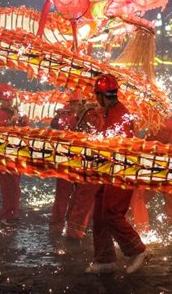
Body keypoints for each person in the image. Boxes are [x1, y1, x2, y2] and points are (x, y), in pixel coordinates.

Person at [85, 74, 147, 275]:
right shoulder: (112, 112)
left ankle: (137, 249)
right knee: (100, 209)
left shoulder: (118, 114)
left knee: (111, 211)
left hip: (121, 170)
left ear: (102, 95)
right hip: (111, 169)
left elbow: (114, 145)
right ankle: (104, 259)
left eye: (97, 96)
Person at [129, 107, 172, 230]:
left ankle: (131, 215)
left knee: (145, 191)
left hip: (146, 161)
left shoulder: (162, 123)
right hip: (160, 164)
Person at [63, 95, 105, 241]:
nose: (75, 107)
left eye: (77, 103)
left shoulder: (88, 115)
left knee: (82, 197)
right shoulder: (89, 115)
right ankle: (74, 231)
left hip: (88, 163)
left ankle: (74, 231)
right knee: (82, 197)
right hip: (88, 163)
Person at [0, 83, 28, 224]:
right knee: (9, 188)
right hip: (5, 156)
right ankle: (8, 215)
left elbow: (26, 126)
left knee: (15, 187)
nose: (9, 102)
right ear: (0, 101)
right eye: (6, 100)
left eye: (10, 99)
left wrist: (22, 119)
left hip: (16, 154)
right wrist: (9, 123)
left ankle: (13, 213)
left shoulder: (15, 112)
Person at [48, 90, 81, 235]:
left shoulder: (68, 117)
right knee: (63, 195)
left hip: (75, 161)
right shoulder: (68, 117)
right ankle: (58, 226)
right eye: (75, 103)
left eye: (78, 104)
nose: (76, 106)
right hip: (67, 161)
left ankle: (69, 226)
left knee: (74, 196)